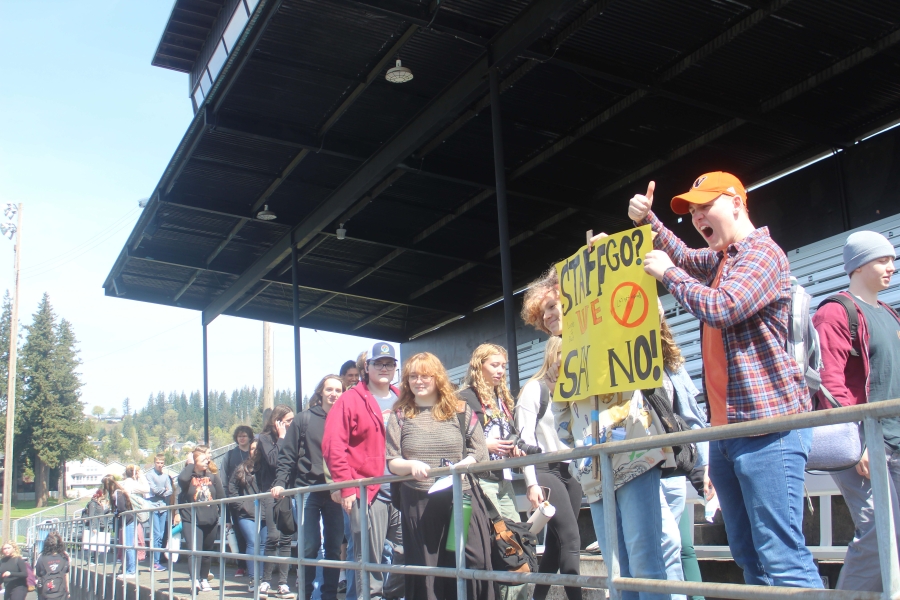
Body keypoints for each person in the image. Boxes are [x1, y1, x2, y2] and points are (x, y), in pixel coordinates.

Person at [629, 172, 819, 587]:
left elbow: (724, 307)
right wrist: (649, 223)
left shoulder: (763, 254)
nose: (697, 218)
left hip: (770, 427)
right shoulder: (723, 258)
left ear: (736, 202)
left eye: (705, 206)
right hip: (731, 430)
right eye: (693, 211)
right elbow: (679, 254)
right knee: (749, 552)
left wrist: (669, 276)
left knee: (781, 554)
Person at [521, 268, 674, 600]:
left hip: (634, 457)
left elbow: (649, 311)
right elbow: (562, 417)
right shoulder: (565, 362)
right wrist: (579, 454)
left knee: (644, 562)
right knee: (616, 569)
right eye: (543, 310)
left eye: (554, 305)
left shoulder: (608, 333)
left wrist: (613, 273)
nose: (548, 315)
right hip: (594, 473)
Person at [813, 231, 900, 592]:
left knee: (891, 538)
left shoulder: (890, 313)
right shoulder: (835, 312)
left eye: (892, 260)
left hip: (894, 439)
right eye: (883, 260)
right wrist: (856, 442)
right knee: (880, 534)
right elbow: (829, 384)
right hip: (864, 442)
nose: (891, 267)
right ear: (859, 264)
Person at [386, 352, 493, 600]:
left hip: (460, 498)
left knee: (470, 557)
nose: (418, 381)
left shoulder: (460, 409)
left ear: (438, 378)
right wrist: (411, 465)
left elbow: (480, 452)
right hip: (420, 501)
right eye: (413, 376)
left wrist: (462, 465)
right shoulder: (400, 415)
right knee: (428, 570)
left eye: (425, 375)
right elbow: (392, 461)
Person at [323, 343, 402, 600]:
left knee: (409, 553)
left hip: (403, 487)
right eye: (378, 363)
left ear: (395, 369)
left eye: (389, 364)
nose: (383, 368)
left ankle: (391, 594)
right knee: (369, 559)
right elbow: (333, 446)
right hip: (369, 491)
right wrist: (346, 486)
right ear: (366, 368)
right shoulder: (351, 399)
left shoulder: (403, 397)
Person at [514, 336, 583, 600]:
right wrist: (531, 482)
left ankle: (537, 597)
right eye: (564, 353)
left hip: (571, 469)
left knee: (556, 543)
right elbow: (525, 439)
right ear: (553, 354)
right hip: (544, 467)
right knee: (571, 539)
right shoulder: (535, 388)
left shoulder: (575, 387)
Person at [458, 344, 527, 600]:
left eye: (503, 367)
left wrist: (513, 448)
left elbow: (511, 434)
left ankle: (516, 594)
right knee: (490, 544)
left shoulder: (502, 399)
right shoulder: (464, 397)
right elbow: (454, 440)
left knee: (516, 539)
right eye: (494, 365)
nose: (500, 371)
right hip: (477, 481)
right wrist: (484, 445)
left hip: (502, 478)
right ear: (479, 366)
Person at [273, 375, 345, 600]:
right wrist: (279, 483)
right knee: (310, 546)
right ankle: (305, 595)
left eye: (338, 390)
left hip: (336, 491)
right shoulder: (303, 419)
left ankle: (329, 596)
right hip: (308, 490)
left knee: (334, 547)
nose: (333, 393)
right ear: (320, 392)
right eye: (329, 389)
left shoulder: (345, 419)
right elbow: (288, 455)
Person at [656, 301, 709, 598]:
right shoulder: (620, 362)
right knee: (669, 544)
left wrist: (705, 467)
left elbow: (692, 417)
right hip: (643, 467)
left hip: (677, 467)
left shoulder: (671, 362)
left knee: (677, 546)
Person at [256, 404, 296, 597]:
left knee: (286, 537)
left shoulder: (294, 437)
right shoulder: (264, 439)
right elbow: (274, 461)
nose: (291, 425)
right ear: (277, 422)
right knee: (273, 536)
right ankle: (265, 581)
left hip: (288, 493)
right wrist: (281, 438)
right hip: (270, 491)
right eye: (288, 421)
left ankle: (283, 583)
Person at [179, 447, 226, 593]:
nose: (206, 461)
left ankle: (204, 578)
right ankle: (195, 580)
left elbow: (221, 496)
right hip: (192, 520)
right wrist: (193, 462)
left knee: (207, 551)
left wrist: (223, 516)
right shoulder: (188, 478)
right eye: (202, 460)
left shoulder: (212, 477)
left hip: (210, 519)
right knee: (195, 551)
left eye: (207, 459)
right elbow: (181, 479)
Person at [229, 440, 265, 591]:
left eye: (256, 448)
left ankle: (260, 579)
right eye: (251, 448)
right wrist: (241, 506)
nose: (254, 451)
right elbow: (231, 489)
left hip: (263, 512)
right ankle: (253, 579)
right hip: (246, 514)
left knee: (262, 545)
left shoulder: (267, 466)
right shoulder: (242, 468)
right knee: (252, 542)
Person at [225, 425, 255, 577]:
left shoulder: (255, 453)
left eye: (244, 435)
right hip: (236, 498)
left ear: (250, 437)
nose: (242, 438)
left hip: (253, 498)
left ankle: (254, 567)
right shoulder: (230, 455)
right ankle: (241, 564)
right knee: (239, 533)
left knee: (252, 537)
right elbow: (225, 478)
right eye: (239, 436)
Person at [102, 474, 137, 580]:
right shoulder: (119, 492)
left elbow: (122, 508)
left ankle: (131, 570)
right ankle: (128, 569)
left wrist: (116, 512)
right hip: (127, 521)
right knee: (126, 546)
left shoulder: (118, 493)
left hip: (128, 520)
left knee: (128, 546)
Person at [146, 453, 174, 572]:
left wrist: (163, 491)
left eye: (162, 463)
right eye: (158, 463)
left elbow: (171, 490)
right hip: (153, 507)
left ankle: (158, 560)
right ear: (154, 463)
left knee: (162, 535)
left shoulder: (166, 476)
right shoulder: (150, 475)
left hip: (163, 507)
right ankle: (155, 562)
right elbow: (154, 490)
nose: (160, 465)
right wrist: (164, 491)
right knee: (156, 534)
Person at [35, 531, 69, 600]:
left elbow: (37, 574)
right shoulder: (64, 556)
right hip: (60, 593)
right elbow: (66, 574)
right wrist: (68, 591)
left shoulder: (41, 557)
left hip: (46, 593)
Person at [85, 488, 110, 564]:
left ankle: (95, 560)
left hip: (100, 525)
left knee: (98, 544)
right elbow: (91, 515)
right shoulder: (93, 503)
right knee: (93, 544)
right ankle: (91, 560)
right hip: (96, 526)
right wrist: (93, 527)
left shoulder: (98, 503)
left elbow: (101, 513)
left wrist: (108, 509)